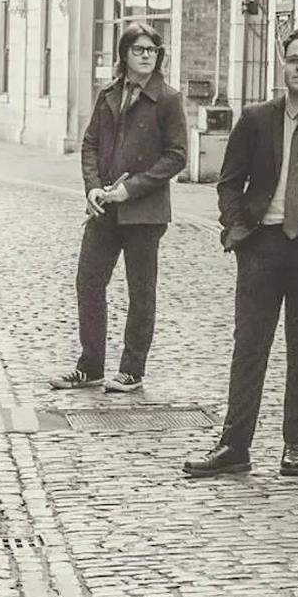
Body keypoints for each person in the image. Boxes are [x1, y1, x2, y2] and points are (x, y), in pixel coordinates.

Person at [188, 28, 298, 478]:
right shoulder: (257, 119)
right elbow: (230, 181)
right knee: (249, 345)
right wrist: (236, 228)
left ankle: (295, 444)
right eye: (292, 59)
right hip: (262, 245)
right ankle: (234, 445)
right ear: (282, 66)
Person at [50, 23, 189, 394]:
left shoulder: (169, 99)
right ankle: (90, 366)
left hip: (145, 213)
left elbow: (177, 157)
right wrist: (94, 189)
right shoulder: (108, 94)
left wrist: (131, 189)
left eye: (152, 50)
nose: (146, 56)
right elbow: (90, 145)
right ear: (124, 54)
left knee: (141, 291)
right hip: (104, 211)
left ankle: (132, 369)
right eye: (139, 49)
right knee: (89, 282)